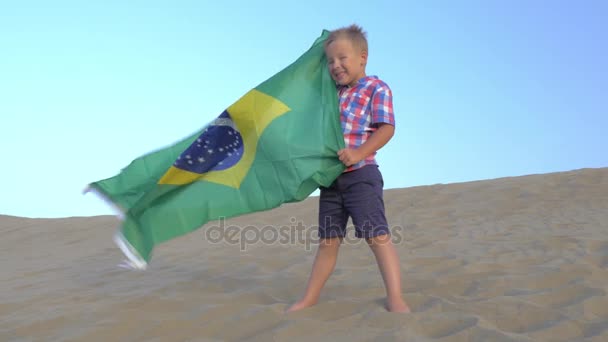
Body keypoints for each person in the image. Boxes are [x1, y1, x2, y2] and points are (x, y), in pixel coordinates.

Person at [287, 24, 410, 313]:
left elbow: (387, 129)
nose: (336, 65)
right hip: (331, 182)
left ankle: (395, 297)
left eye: (343, 58)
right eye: (330, 61)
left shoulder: (375, 88)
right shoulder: (331, 93)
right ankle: (310, 297)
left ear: (362, 57)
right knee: (328, 243)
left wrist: (357, 153)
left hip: (361, 176)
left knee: (377, 236)